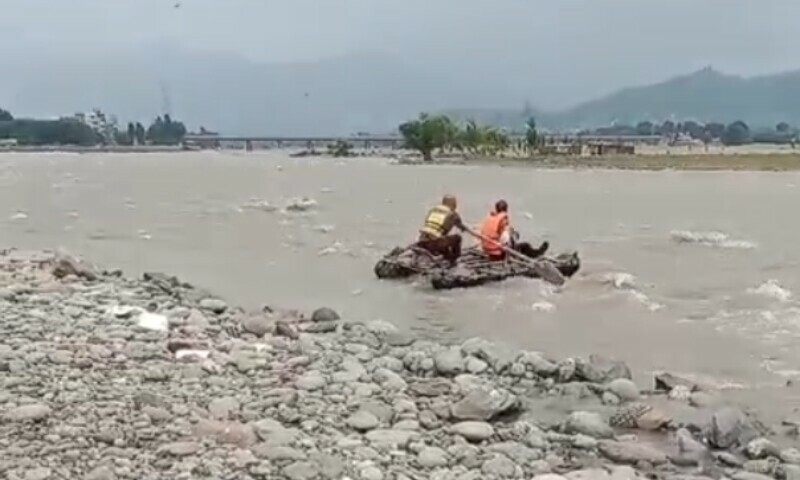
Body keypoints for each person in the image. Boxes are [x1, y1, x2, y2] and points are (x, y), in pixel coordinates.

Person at [479, 200, 548, 260]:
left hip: (487, 251)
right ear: (506, 209)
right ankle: (538, 254)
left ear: (496, 209)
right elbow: (505, 238)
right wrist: (512, 237)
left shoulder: (490, 218)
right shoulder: (503, 219)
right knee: (525, 246)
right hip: (498, 254)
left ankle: (532, 254)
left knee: (517, 243)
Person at [417, 194, 465, 264]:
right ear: (453, 204)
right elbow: (462, 228)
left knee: (442, 237)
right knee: (457, 238)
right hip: (435, 243)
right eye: (455, 203)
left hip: (422, 240)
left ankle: (444, 256)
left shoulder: (433, 210)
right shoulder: (452, 214)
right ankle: (454, 260)